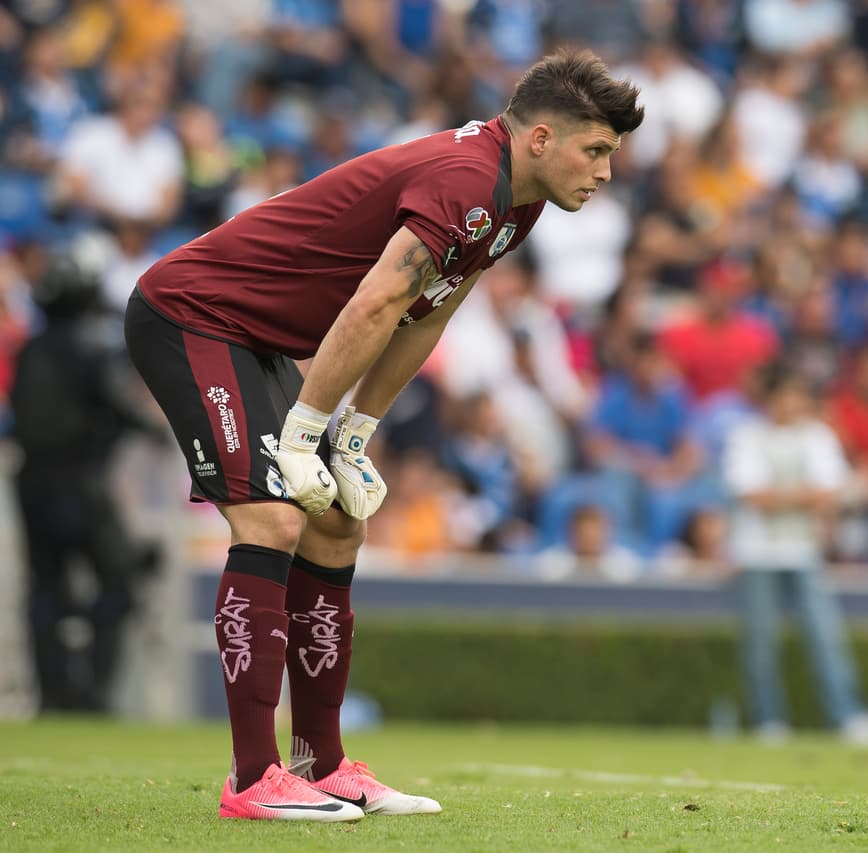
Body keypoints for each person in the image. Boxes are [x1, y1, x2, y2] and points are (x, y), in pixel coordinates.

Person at [123, 50, 643, 822]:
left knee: (336, 522)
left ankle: (322, 764)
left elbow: (428, 311)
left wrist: (353, 433)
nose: (605, 171)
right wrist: (305, 432)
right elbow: (376, 302)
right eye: (595, 150)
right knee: (273, 516)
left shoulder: (518, 200)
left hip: (256, 337)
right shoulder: (468, 180)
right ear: (540, 138)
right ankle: (252, 776)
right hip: (193, 315)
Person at [722, 361, 868, 747]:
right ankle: (767, 722)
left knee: (825, 637)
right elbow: (753, 496)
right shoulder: (746, 435)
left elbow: (827, 495)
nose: (792, 403)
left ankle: (848, 716)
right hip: (758, 555)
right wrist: (806, 496)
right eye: (785, 394)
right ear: (769, 398)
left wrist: (782, 497)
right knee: (760, 643)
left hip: (804, 553)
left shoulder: (817, 436)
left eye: (798, 395)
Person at [12, 244, 161, 713]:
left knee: (45, 589)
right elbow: (118, 406)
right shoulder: (92, 347)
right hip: (81, 485)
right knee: (118, 582)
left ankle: (54, 693)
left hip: (32, 483)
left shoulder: (29, 349)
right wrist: (159, 430)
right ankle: (93, 692)